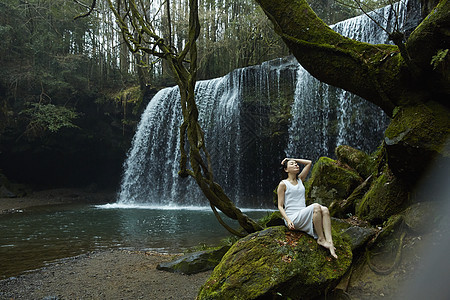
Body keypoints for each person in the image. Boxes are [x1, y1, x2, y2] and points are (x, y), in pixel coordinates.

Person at [277, 157, 338, 259]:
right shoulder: (283, 184)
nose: (296, 165)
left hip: (302, 213)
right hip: (293, 217)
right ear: (286, 169)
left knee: (325, 210)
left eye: (296, 164)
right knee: (316, 207)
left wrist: (290, 158)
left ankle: (330, 242)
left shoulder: (300, 179)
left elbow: (309, 163)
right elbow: (280, 206)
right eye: (292, 164)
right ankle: (321, 239)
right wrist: (287, 220)